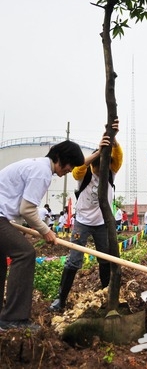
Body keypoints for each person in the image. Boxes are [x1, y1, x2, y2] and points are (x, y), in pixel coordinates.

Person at [0, 140, 84, 331]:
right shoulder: (42, 172)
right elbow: (27, 210)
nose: (69, 171)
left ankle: (3, 318)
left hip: (2, 216)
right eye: (70, 165)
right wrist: (46, 231)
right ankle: (14, 319)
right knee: (25, 253)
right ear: (61, 158)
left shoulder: (37, 165)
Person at [50, 120, 123, 312]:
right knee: (74, 260)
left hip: (101, 224)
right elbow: (77, 169)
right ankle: (61, 299)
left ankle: (106, 292)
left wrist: (113, 140)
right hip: (82, 223)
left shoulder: (111, 174)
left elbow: (119, 158)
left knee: (105, 258)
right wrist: (98, 152)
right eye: (98, 168)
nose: (101, 172)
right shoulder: (85, 174)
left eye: (104, 167)